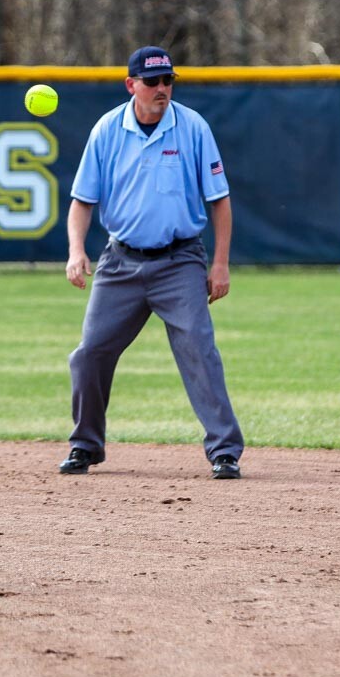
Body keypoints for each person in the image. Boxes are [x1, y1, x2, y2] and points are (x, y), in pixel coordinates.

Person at [59, 47, 244, 480]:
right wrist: (76, 250)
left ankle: (225, 451)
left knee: (199, 349)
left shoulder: (192, 127)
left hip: (179, 260)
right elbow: (82, 200)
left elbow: (219, 200)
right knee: (89, 354)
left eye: (168, 81)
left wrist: (220, 264)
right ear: (132, 85)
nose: (162, 88)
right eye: (152, 81)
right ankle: (85, 444)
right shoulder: (107, 129)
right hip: (120, 262)